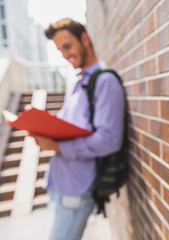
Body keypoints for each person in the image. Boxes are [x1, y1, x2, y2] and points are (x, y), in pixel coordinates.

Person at [32, 18, 126, 240]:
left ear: (85, 39)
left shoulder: (105, 82)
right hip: (58, 182)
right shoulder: (76, 80)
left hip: (76, 188)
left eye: (67, 46)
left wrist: (55, 145)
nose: (65, 55)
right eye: (59, 50)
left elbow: (109, 140)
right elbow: (68, 123)